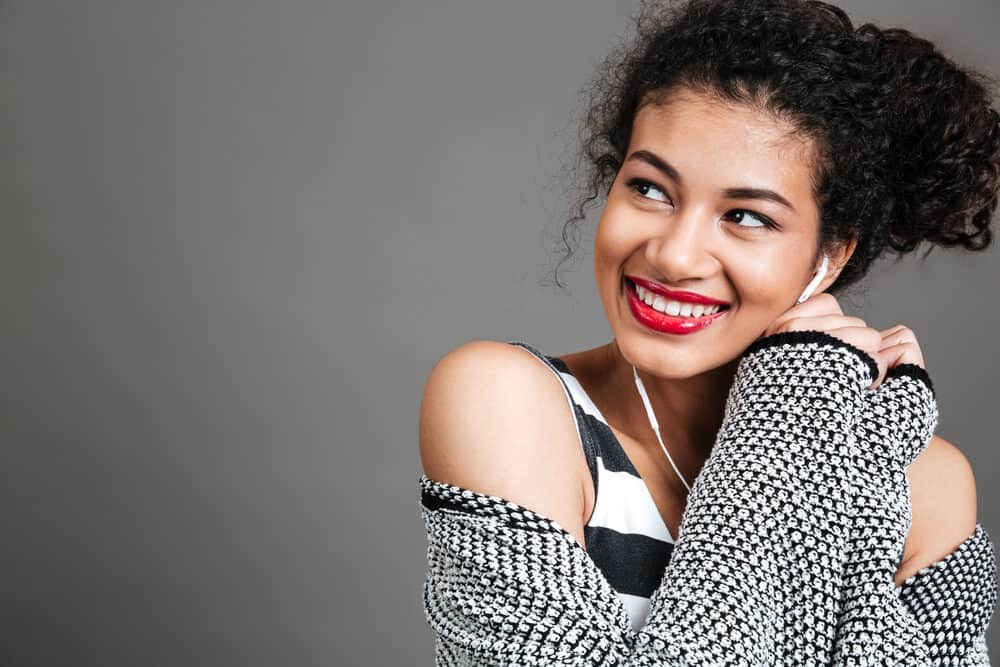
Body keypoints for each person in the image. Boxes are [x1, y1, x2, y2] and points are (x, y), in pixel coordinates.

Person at [418, 0, 1000, 663]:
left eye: (747, 216)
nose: (674, 255)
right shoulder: (505, 404)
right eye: (651, 190)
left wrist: (833, 448)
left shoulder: (924, 482)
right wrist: (783, 409)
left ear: (828, 255)